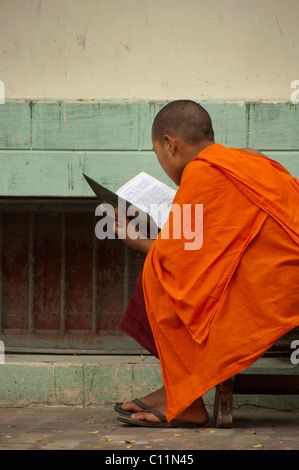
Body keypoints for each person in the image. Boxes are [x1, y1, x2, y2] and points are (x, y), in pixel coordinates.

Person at [113, 99, 299, 428]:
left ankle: (188, 401)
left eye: (158, 154)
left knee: (158, 278)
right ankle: (181, 393)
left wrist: (132, 237)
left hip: (281, 287)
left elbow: (176, 258)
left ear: (170, 144)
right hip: (280, 273)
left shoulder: (202, 172)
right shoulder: (246, 158)